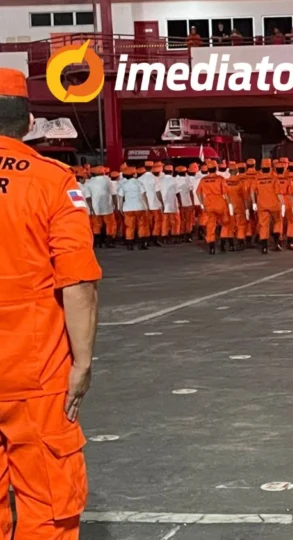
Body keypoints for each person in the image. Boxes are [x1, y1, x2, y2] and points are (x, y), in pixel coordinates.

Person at [0, 68, 101, 540]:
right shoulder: (52, 181)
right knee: (48, 506)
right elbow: (77, 281)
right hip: (34, 367)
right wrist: (81, 363)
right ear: (29, 122)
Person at [196, 160, 232, 254]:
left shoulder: (203, 180)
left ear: (208, 169)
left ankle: (212, 247)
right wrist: (229, 204)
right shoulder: (220, 179)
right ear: (216, 169)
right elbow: (226, 193)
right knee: (225, 224)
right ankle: (223, 245)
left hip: (208, 204)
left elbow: (198, 192)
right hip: (220, 203)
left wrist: (202, 203)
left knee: (210, 225)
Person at [83, 165, 118, 248]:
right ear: (103, 172)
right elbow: (113, 194)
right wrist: (116, 205)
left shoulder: (88, 182)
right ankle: (108, 241)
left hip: (95, 208)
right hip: (107, 207)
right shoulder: (107, 180)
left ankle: (98, 242)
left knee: (96, 225)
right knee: (110, 224)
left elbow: (88, 197)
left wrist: (91, 208)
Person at [117, 166, 150, 250]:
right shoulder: (139, 183)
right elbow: (143, 195)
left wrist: (120, 207)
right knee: (142, 225)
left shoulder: (123, 184)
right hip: (139, 207)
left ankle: (129, 245)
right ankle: (141, 244)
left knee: (129, 227)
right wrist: (147, 205)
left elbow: (120, 197)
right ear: (134, 174)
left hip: (127, 208)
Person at [138, 162, 163, 247]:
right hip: (154, 204)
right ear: (152, 167)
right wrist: (162, 202)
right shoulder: (155, 178)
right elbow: (158, 192)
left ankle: (146, 240)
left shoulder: (140, 179)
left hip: (144, 204)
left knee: (145, 223)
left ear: (144, 167)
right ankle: (155, 238)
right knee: (157, 222)